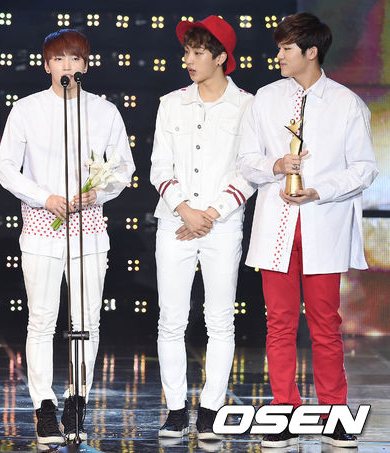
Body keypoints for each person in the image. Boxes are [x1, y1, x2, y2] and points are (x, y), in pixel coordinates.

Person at [237, 12, 378, 448]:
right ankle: (284, 410)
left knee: (325, 325)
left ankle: (335, 413)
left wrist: (320, 190)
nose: (278, 55)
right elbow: (245, 160)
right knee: (279, 324)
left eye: (286, 48)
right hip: (277, 229)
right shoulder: (264, 99)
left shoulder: (346, 103)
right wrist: (276, 165)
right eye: (279, 48)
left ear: (311, 52)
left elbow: (365, 168)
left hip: (322, 226)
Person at [0, 29, 135, 443]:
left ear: (85, 65)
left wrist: (99, 192)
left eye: (74, 59)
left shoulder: (104, 111)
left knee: (86, 320)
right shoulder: (27, 109)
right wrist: (45, 197)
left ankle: (77, 401)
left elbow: (123, 168)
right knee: (41, 320)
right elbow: (6, 167)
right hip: (43, 228)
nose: (67, 66)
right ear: (47, 65)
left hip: (88, 230)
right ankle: (44, 406)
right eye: (59, 59)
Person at [150, 15, 254, 441]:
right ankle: (176, 410)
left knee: (220, 321)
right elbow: (159, 165)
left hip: (222, 226)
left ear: (221, 57)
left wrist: (211, 213)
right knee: (171, 320)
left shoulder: (247, 106)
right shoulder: (171, 103)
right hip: (175, 222)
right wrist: (185, 210)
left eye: (197, 52)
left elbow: (249, 170)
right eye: (186, 52)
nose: (188, 60)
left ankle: (211, 410)